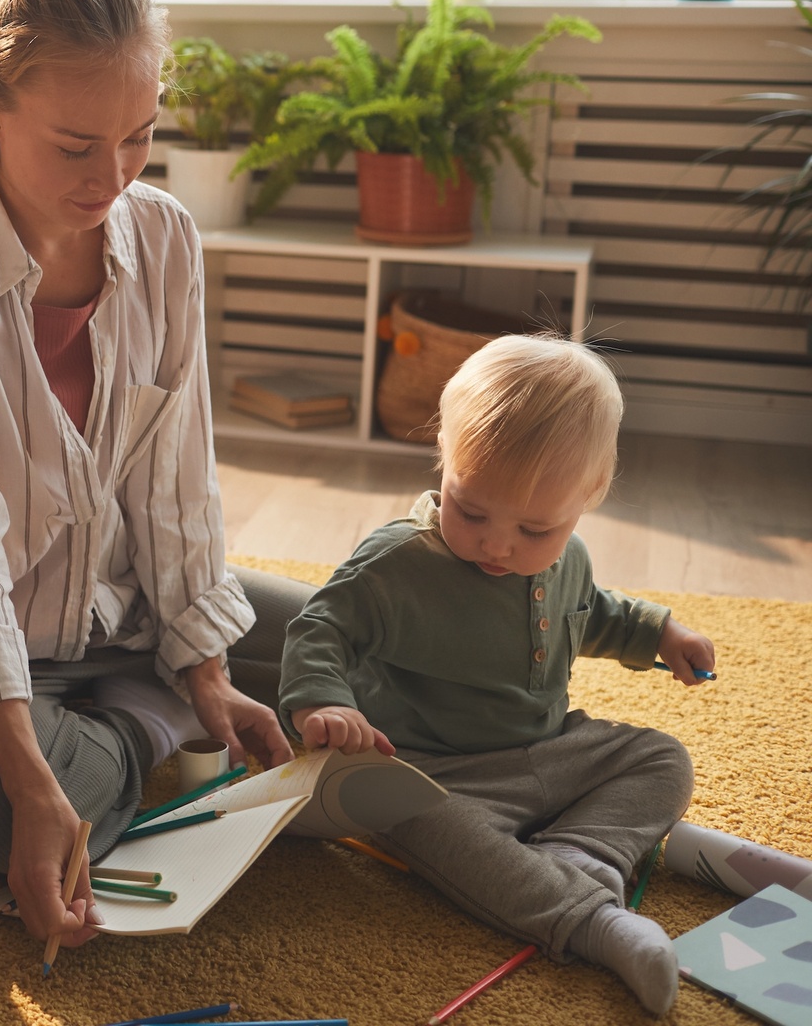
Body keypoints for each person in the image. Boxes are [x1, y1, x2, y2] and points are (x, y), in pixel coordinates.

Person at [0, 0, 307, 955]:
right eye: (75, 144)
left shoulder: (167, 237)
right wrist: (31, 771)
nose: (114, 176)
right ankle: (142, 740)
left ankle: (148, 722)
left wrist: (204, 672)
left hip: (123, 614)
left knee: (342, 630)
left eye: (140, 135)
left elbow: (179, 482)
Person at [279, 334, 713, 1016]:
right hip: (433, 773)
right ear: (445, 461)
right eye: (471, 510)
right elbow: (318, 628)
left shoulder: (567, 557)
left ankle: (582, 852)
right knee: (423, 823)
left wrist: (658, 631)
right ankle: (590, 920)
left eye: (535, 529)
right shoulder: (398, 563)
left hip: (549, 749)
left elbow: (591, 613)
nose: (499, 545)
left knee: (662, 758)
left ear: (588, 497)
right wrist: (323, 707)